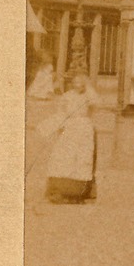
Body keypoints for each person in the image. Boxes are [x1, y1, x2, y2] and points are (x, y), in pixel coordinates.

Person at [39, 71, 100, 204]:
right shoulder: (67, 96)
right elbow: (61, 112)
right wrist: (59, 125)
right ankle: (59, 191)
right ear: (72, 84)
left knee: (82, 159)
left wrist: (88, 89)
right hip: (70, 128)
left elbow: (95, 105)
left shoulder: (89, 96)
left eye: (82, 83)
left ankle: (79, 193)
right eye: (76, 82)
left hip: (84, 130)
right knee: (63, 158)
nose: (79, 85)